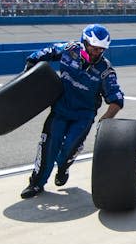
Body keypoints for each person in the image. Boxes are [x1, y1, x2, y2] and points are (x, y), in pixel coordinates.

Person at [20, 24, 124, 198]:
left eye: (101, 49)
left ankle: (63, 167)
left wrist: (105, 118)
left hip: (83, 116)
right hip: (60, 110)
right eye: (94, 47)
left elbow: (117, 99)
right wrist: (31, 62)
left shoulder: (106, 70)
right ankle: (36, 184)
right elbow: (48, 52)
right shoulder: (69, 49)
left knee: (67, 151)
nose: (97, 52)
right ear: (84, 42)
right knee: (48, 148)